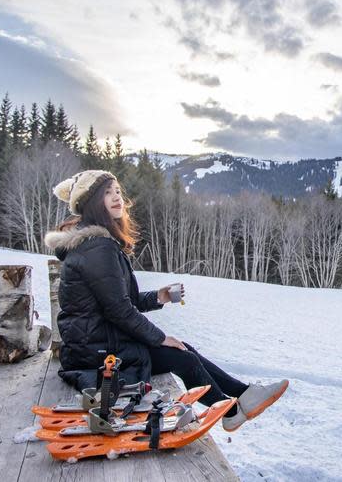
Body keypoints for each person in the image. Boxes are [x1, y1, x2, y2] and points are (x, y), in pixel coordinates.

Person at [44, 169, 288, 432]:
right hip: (96, 352)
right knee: (183, 357)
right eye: (106, 193)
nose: (117, 198)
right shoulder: (97, 247)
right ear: (90, 202)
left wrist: (157, 297)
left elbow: (116, 300)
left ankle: (244, 395)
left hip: (99, 342)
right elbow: (118, 309)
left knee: (185, 349)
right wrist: (160, 338)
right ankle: (229, 412)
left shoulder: (96, 242)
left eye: (117, 191)